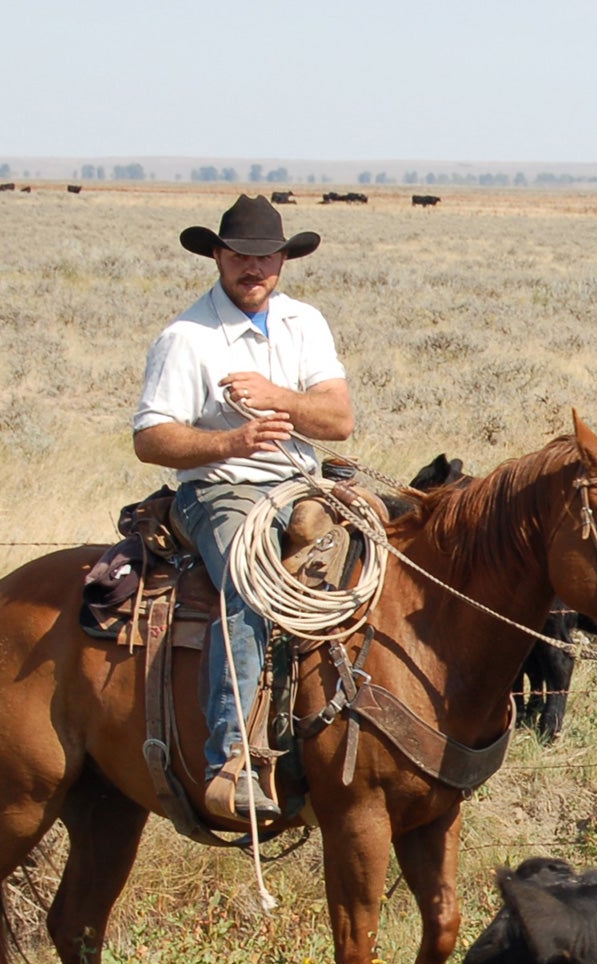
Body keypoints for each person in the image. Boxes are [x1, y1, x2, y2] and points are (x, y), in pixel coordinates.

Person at [131, 193, 354, 823]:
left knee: (380, 559)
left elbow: (338, 419)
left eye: (266, 257)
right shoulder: (187, 337)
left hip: (300, 483)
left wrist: (275, 396)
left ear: (284, 260)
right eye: (239, 256)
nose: (253, 269)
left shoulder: (304, 323)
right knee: (248, 583)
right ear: (218, 257)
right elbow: (151, 438)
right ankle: (231, 757)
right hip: (219, 488)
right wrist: (231, 440)